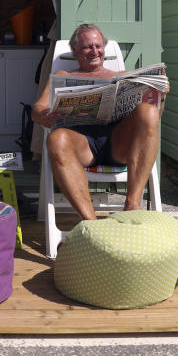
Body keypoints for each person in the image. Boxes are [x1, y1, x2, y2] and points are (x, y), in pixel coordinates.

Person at [31, 23, 166, 221]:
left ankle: (132, 206)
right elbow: (37, 109)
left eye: (98, 46)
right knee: (55, 138)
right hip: (82, 145)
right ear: (75, 51)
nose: (94, 51)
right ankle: (91, 223)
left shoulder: (122, 77)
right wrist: (44, 116)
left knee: (149, 112)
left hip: (119, 145)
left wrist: (160, 96)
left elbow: (153, 121)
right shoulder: (63, 77)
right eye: (87, 47)